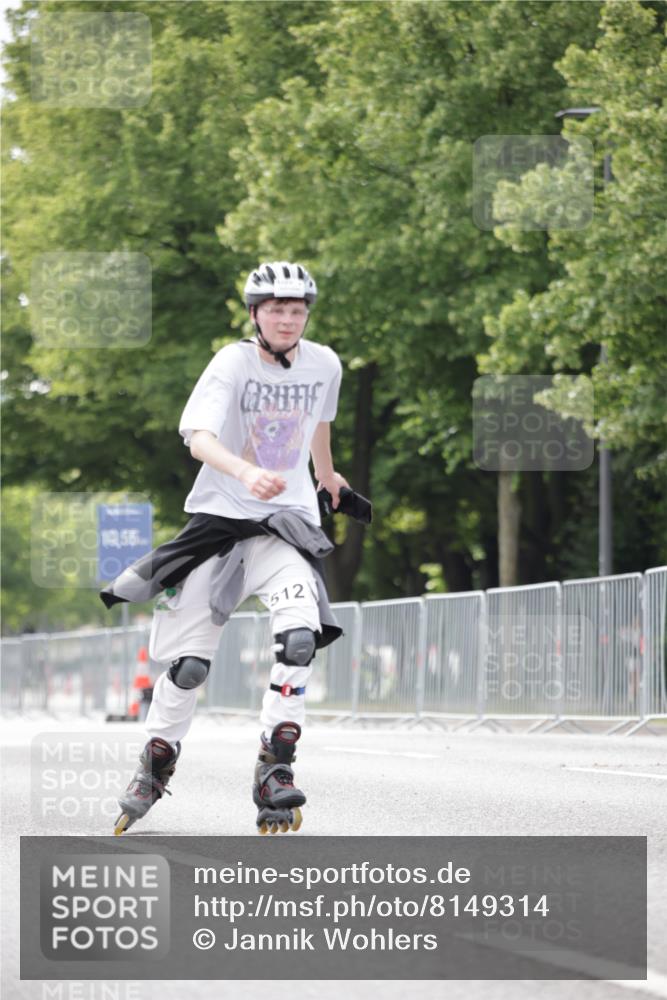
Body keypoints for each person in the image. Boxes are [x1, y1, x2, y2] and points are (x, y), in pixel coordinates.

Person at [110, 261, 349, 835]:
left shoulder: (325, 363)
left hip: (283, 528)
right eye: (277, 310)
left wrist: (326, 475)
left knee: (298, 641)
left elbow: (319, 420)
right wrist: (244, 472)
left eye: (297, 310)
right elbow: (198, 438)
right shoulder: (232, 363)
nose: (288, 320)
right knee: (190, 667)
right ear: (255, 314)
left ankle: (275, 765)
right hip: (220, 529)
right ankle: (155, 762)